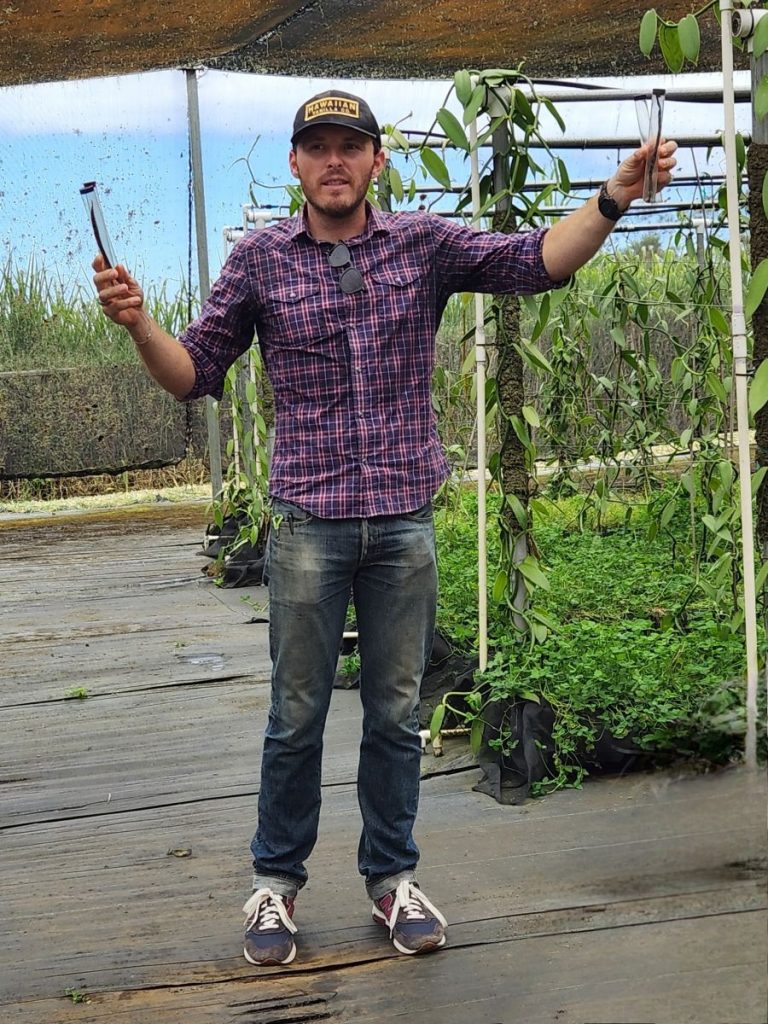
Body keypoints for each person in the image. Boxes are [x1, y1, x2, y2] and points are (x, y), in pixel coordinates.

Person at [93, 88, 677, 967]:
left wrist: (612, 199)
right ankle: (275, 886)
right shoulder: (258, 261)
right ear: (296, 163)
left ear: (376, 162)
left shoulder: (424, 246)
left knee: (397, 716)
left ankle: (391, 878)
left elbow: (537, 262)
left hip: (403, 524)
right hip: (304, 528)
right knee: (296, 715)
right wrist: (141, 326)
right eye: (317, 146)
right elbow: (194, 375)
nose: (335, 160)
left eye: (351, 145)